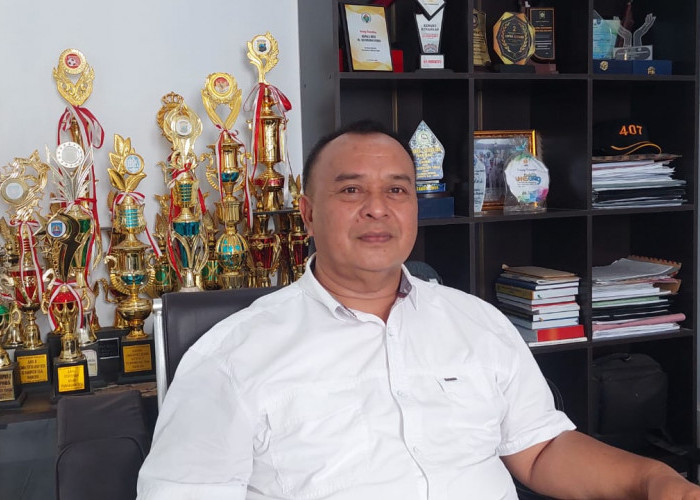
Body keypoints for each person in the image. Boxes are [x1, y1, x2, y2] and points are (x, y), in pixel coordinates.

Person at [137, 120, 700, 499]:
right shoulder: (232, 357)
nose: (377, 209)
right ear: (307, 214)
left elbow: (540, 450)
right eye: (351, 191)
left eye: (397, 190)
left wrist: (652, 480)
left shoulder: (476, 322)